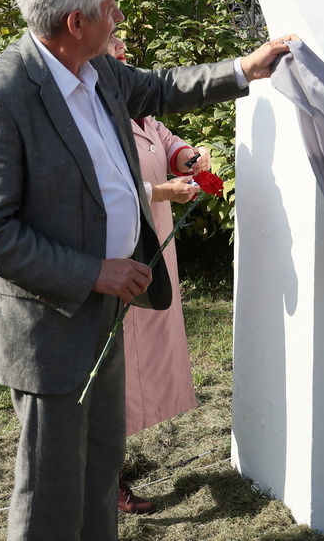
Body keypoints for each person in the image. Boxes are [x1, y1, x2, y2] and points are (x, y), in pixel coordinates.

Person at [0, 0, 291, 541]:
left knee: (100, 469)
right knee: (50, 488)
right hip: (49, 328)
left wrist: (245, 68)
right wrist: (93, 272)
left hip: (106, 314)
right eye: (110, 6)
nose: (118, 18)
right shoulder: (1, 96)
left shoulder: (98, 69)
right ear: (74, 21)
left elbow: (161, 87)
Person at [107, 35, 205, 515]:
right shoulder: (97, 109)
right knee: (116, 364)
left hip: (153, 248)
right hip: (120, 251)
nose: (123, 46)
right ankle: (105, 478)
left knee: (143, 356)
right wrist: (161, 191)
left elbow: (162, 138)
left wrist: (185, 154)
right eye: (113, 41)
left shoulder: (137, 102)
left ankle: (114, 463)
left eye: (126, 46)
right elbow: (108, 184)